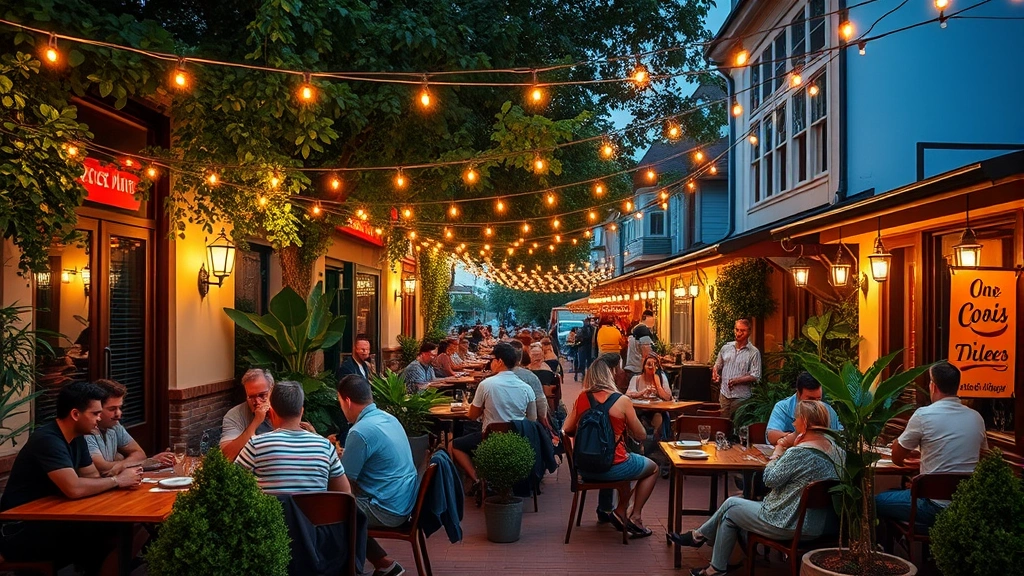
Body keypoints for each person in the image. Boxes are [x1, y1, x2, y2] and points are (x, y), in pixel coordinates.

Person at [668, 400, 841, 576]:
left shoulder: (800, 452)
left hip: (789, 523)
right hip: (823, 525)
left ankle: (701, 541)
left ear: (804, 422)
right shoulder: (837, 450)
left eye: (795, 420)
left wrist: (779, 449)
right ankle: (711, 560)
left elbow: (769, 479)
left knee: (731, 506)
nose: (793, 424)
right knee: (733, 508)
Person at [0, 382, 143, 572]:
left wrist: (115, 476)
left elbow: (92, 476)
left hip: (53, 518)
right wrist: (117, 481)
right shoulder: (48, 439)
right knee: (112, 533)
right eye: (95, 414)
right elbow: (74, 488)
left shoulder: (77, 437)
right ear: (75, 414)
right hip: (20, 529)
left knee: (124, 529)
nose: (99, 419)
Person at [875, 361, 988, 529]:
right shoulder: (976, 418)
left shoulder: (923, 415)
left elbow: (897, 458)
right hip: (966, 506)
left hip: (933, 507)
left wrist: (898, 444)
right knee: (903, 492)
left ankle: (887, 550)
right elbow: (981, 456)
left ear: (933, 386)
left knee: (876, 501)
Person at [562, 358, 658, 538]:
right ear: (610, 374)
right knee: (652, 468)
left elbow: (567, 429)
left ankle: (611, 509)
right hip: (613, 467)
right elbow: (641, 435)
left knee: (622, 461)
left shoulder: (582, 398)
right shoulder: (622, 401)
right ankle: (630, 514)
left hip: (585, 469)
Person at [336, 375, 418, 576]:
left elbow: (344, 481)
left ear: (347, 401)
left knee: (332, 509)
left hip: (387, 508)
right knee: (345, 508)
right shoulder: (388, 418)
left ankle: (347, 570)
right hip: (403, 501)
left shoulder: (360, 431)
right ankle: (385, 564)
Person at [236, 381, 350, 494]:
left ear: (271, 413)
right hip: (311, 512)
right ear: (301, 412)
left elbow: (231, 483)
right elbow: (344, 494)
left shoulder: (256, 445)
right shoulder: (325, 447)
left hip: (273, 512)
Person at [451, 342, 537, 493]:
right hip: (519, 439)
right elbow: (532, 419)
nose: (491, 363)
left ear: (499, 362)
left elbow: (472, 415)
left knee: (455, 445)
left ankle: (478, 479)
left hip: (490, 438)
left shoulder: (487, 385)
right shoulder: (526, 388)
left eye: (492, 360)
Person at [86, 379, 174, 475]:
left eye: (120, 408)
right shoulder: (86, 431)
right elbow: (102, 468)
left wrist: (123, 462)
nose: (118, 413)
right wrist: (147, 462)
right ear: (97, 408)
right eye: (112, 409)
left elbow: (139, 454)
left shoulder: (115, 425)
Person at [766, 372, 841, 445]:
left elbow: (839, 439)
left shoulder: (828, 411)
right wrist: (793, 437)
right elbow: (771, 435)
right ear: (798, 394)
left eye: (818, 399)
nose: (815, 404)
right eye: (810, 399)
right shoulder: (783, 407)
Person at [221, 368, 279, 462]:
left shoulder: (283, 409)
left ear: (272, 390)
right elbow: (227, 456)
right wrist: (256, 422)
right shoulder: (234, 415)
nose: (257, 402)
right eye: (251, 397)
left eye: (262, 395)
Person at [711, 319, 761, 420]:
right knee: (723, 424)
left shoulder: (753, 352)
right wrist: (715, 373)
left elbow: (756, 375)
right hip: (724, 394)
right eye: (737, 330)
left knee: (736, 425)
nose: (739, 333)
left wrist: (737, 381)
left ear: (749, 332)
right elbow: (717, 365)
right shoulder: (726, 348)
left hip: (741, 396)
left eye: (742, 331)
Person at [627, 354, 673, 441]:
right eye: (649, 364)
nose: (652, 367)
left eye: (655, 364)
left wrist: (658, 385)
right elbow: (628, 394)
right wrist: (641, 393)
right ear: (644, 366)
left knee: (658, 416)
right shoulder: (636, 378)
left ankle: (654, 441)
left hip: (656, 410)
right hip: (639, 410)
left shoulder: (661, 377)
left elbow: (668, 398)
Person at [509, 340, 550, 427]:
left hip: (495, 431)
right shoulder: (530, 377)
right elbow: (541, 407)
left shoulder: (488, 382)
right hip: (526, 427)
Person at [624, 310, 658, 378]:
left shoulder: (636, 328)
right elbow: (646, 353)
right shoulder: (643, 330)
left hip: (632, 367)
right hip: (638, 370)